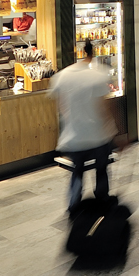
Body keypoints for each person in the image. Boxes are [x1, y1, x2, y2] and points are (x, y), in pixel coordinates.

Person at [49, 40, 117, 216]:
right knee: (101, 170)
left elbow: (62, 107)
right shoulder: (97, 75)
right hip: (97, 136)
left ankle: (74, 206)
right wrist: (114, 132)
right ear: (92, 53)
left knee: (77, 172)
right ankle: (102, 201)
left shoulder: (61, 76)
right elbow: (104, 109)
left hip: (73, 137)